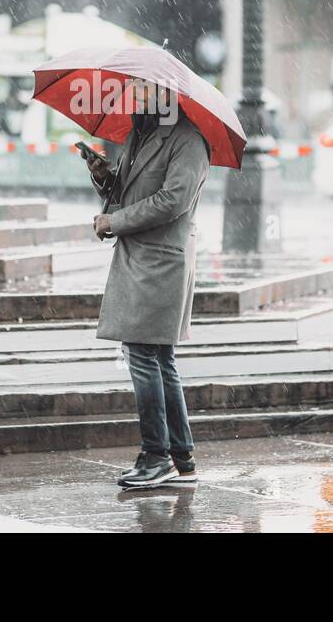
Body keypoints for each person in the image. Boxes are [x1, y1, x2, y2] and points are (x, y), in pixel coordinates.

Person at [77, 77, 211, 490]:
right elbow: (130, 191)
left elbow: (173, 200)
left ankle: (156, 456)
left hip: (161, 262)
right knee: (158, 357)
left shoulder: (189, 140)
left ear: (166, 95)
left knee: (142, 355)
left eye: (142, 91)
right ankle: (180, 455)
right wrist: (104, 175)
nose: (133, 98)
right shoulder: (141, 131)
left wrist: (113, 221)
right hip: (139, 258)